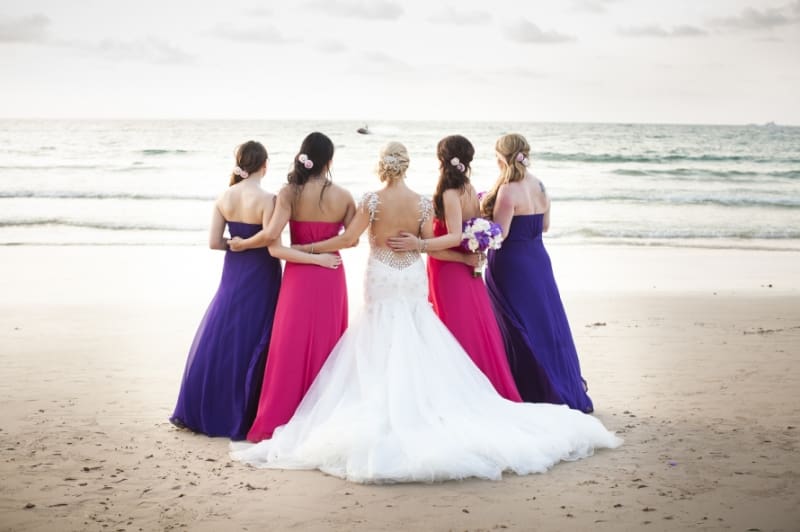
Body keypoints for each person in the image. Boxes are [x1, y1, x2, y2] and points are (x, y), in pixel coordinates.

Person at [230, 142, 620, 483]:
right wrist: (467, 256)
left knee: (379, 333)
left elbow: (349, 240)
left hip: (382, 273)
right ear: (407, 166)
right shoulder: (420, 201)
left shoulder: (370, 200)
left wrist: (313, 251)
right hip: (411, 275)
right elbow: (431, 245)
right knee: (417, 330)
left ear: (381, 166)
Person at [170, 140, 340, 440]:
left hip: (234, 271)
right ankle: (243, 411)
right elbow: (272, 243)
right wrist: (313, 257)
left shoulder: (224, 197)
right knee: (256, 336)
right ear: (264, 165)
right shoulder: (268, 199)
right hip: (261, 274)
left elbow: (214, 243)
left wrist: (236, 245)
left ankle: (206, 405)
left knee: (224, 331)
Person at [228, 132, 356, 442]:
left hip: (298, 276)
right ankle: (324, 417)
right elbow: (352, 239)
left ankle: (281, 415)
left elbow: (273, 240)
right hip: (331, 271)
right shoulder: (344, 196)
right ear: (329, 161)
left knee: (290, 346)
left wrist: (244, 243)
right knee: (328, 346)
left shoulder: (288, 193)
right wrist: (321, 253)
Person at [387, 136, 521, 401]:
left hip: (449, 271)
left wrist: (419, 243)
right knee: (472, 326)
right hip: (460, 270)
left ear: (442, 159)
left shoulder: (450, 193)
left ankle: (460, 394)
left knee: (454, 330)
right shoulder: (468, 187)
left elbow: (455, 236)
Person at [481, 133, 594, 413]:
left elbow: (500, 234)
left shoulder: (507, 190)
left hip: (512, 263)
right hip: (538, 260)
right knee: (545, 322)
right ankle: (561, 384)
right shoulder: (540, 185)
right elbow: (545, 226)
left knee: (515, 321)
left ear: (501, 158)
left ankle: (532, 387)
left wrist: (478, 225)